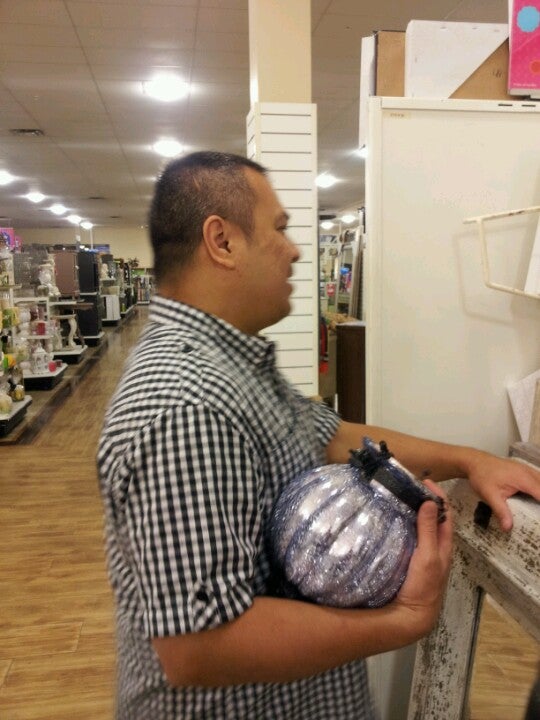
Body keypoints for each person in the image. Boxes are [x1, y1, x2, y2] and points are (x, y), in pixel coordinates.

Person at [98, 151, 540, 720]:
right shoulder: (187, 405)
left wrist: (469, 460)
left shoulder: (230, 369)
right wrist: (405, 620)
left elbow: (332, 436)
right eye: (279, 229)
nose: (295, 250)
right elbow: (200, 645)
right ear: (222, 241)